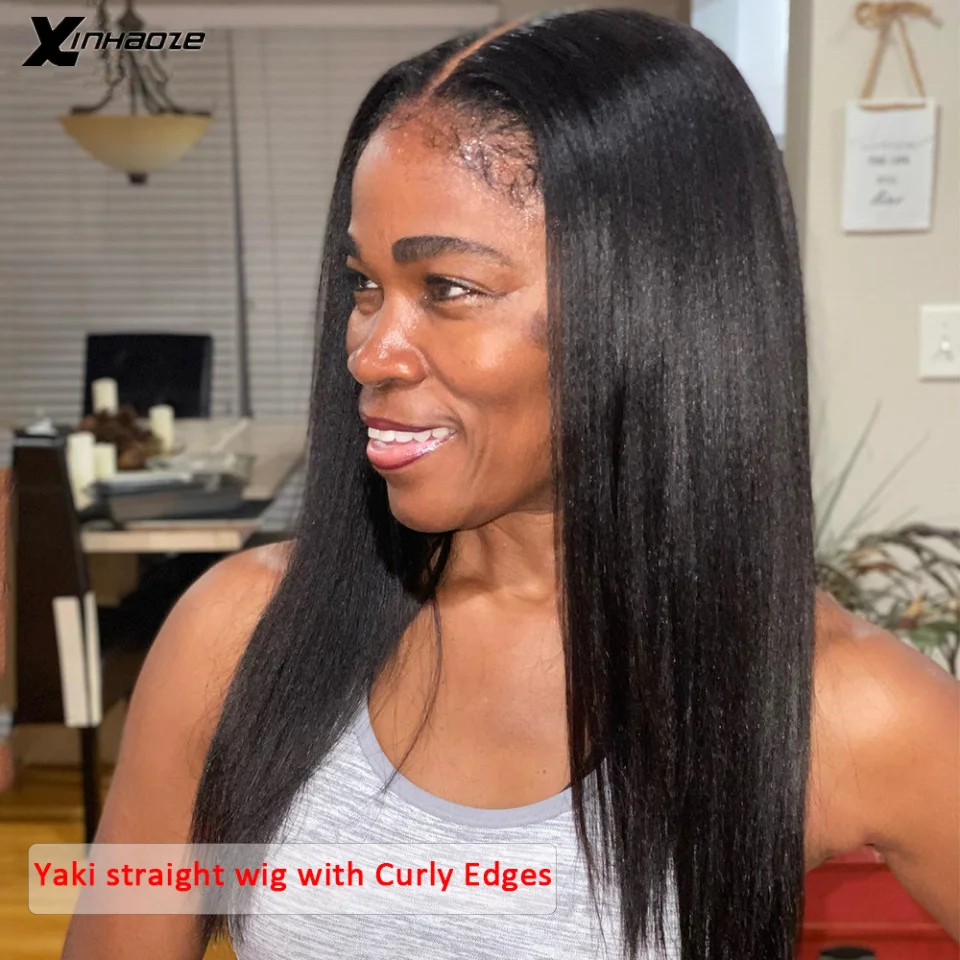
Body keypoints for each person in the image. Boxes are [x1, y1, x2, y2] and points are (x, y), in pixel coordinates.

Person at [61, 8, 959, 959]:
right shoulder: (237, 631)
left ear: (652, 305)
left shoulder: (838, 703)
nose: (370, 351)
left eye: (447, 288)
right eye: (363, 284)